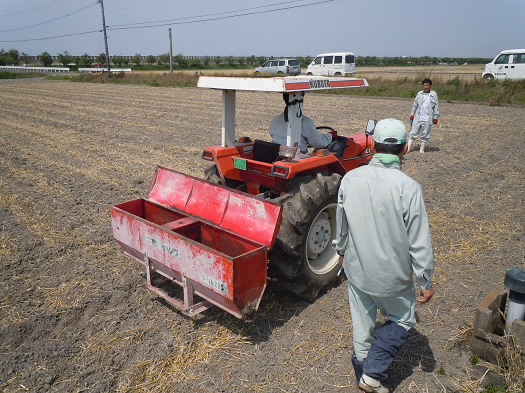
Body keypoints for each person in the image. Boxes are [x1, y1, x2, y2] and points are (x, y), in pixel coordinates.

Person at [332, 118, 435, 393]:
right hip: (391, 276)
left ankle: (364, 376)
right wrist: (424, 280)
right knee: (403, 318)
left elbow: (341, 222)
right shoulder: (408, 187)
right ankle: (372, 376)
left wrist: (340, 251)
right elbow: (419, 241)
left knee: (362, 323)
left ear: (374, 145)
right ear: (403, 149)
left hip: (356, 269)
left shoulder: (350, 178)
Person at [269, 93, 336, 154]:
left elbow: (272, 133)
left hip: (277, 155)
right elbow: (319, 142)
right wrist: (330, 136)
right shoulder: (305, 122)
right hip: (296, 157)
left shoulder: (275, 120)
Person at [408, 78, 439, 154]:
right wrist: (412, 114)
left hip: (428, 118)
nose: (425, 87)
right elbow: (415, 105)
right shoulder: (419, 94)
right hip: (418, 117)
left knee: (425, 134)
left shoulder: (433, 94)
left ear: (430, 86)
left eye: (427, 85)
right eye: (424, 85)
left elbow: (436, 106)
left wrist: (435, 117)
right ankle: (408, 149)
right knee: (413, 133)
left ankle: (421, 149)